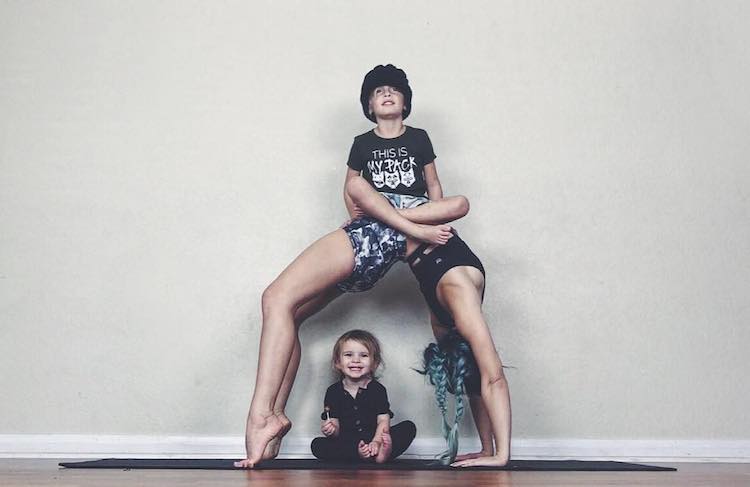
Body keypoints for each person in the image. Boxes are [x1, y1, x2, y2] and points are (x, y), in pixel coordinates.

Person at [408, 231, 512, 467]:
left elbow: (495, 380)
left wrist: (501, 456)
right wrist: (489, 451)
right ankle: (488, 448)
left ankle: (494, 450)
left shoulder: (457, 313)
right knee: (479, 373)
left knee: (484, 373)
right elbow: (485, 380)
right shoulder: (454, 313)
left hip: (446, 274)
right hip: (442, 269)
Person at [311, 330, 416, 463]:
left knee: (408, 428)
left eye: (364, 355)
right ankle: (359, 454)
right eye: (348, 355)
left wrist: (377, 442)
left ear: (374, 363)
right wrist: (331, 430)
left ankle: (380, 452)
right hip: (348, 444)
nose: (356, 360)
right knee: (317, 445)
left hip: (374, 438)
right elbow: (335, 427)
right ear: (338, 362)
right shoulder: (333, 392)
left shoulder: (377, 390)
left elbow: (383, 420)